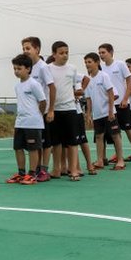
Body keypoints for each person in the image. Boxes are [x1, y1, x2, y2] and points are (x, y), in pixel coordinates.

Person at [6, 54, 46, 185]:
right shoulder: (18, 86)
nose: (16, 71)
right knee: (18, 148)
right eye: (15, 68)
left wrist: (37, 115)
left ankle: (32, 174)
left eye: (19, 68)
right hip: (20, 122)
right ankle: (21, 173)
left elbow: (42, 101)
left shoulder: (34, 84)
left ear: (28, 69)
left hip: (33, 123)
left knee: (33, 149)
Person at [97, 43, 131, 164]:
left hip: (121, 103)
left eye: (103, 52)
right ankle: (114, 155)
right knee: (112, 132)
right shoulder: (101, 68)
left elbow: (129, 82)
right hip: (108, 105)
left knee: (128, 128)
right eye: (99, 53)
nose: (101, 55)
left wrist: (125, 99)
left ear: (111, 52)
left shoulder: (120, 64)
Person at [83, 52, 126, 170]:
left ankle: (120, 160)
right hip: (97, 114)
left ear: (97, 62)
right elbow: (88, 99)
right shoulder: (87, 80)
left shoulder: (104, 76)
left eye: (89, 62)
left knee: (115, 135)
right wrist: (88, 114)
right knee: (99, 136)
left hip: (108, 112)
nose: (87, 64)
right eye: (85, 62)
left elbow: (111, 94)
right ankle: (100, 160)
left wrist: (111, 111)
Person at [21, 37, 56, 182]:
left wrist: (51, 109)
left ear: (37, 49)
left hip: (44, 110)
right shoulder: (28, 67)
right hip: (32, 113)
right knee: (36, 143)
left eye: (28, 48)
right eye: (23, 48)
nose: (25, 51)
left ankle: (44, 170)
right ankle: (36, 169)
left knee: (46, 143)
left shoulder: (43, 67)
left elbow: (52, 88)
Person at [47, 41, 81, 181]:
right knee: (56, 142)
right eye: (61, 53)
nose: (65, 55)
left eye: (66, 52)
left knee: (72, 142)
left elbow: (74, 86)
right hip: (54, 110)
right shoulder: (47, 69)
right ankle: (56, 169)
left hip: (69, 109)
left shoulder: (72, 69)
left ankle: (73, 170)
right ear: (54, 54)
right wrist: (50, 109)